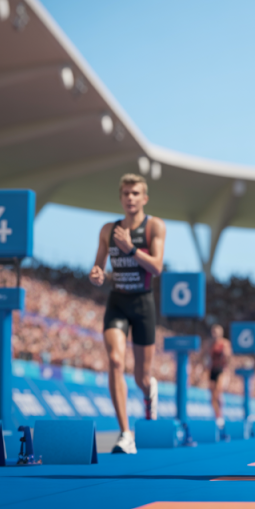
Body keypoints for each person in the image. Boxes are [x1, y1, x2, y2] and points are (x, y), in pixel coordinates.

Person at [89, 173, 166, 454]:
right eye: (126, 194)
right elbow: (99, 267)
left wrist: (130, 248)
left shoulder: (154, 226)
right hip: (118, 302)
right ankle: (125, 433)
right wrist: (97, 274)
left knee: (141, 377)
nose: (130, 198)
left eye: (136, 194)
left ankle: (149, 393)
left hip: (143, 304)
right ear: (121, 198)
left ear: (144, 198)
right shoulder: (108, 229)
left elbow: (157, 267)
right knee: (115, 360)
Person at [203, 324, 232, 430]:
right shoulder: (209, 344)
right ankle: (217, 415)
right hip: (212, 370)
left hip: (222, 370)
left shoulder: (225, 343)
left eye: (216, 332)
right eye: (213, 332)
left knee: (217, 392)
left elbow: (229, 359)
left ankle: (220, 415)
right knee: (212, 397)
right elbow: (204, 357)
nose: (214, 334)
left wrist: (226, 355)